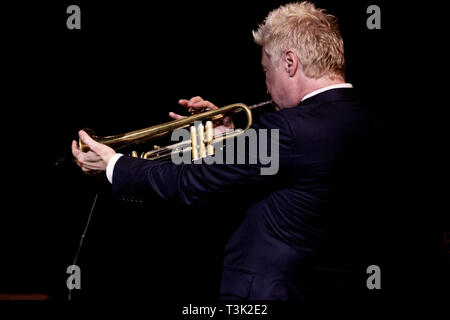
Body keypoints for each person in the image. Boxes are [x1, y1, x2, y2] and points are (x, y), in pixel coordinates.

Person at [72, 2, 382, 300]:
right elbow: (298, 174)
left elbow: (191, 183)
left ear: (290, 62)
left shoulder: (285, 129)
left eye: (266, 70)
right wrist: (232, 139)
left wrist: (114, 164)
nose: (266, 85)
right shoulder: (369, 120)